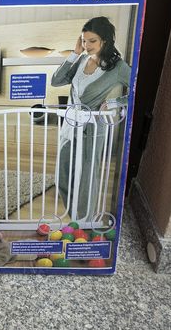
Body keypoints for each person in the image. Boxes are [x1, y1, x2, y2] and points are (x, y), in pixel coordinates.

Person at [51, 16, 131, 221]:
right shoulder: (81, 60)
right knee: (62, 174)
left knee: (87, 176)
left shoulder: (118, 67)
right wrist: (75, 54)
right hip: (69, 126)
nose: (87, 45)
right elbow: (56, 81)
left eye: (92, 41)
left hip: (92, 130)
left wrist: (114, 103)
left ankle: (83, 221)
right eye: (84, 40)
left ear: (105, 40)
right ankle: (75, 215)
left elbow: (137, 90)